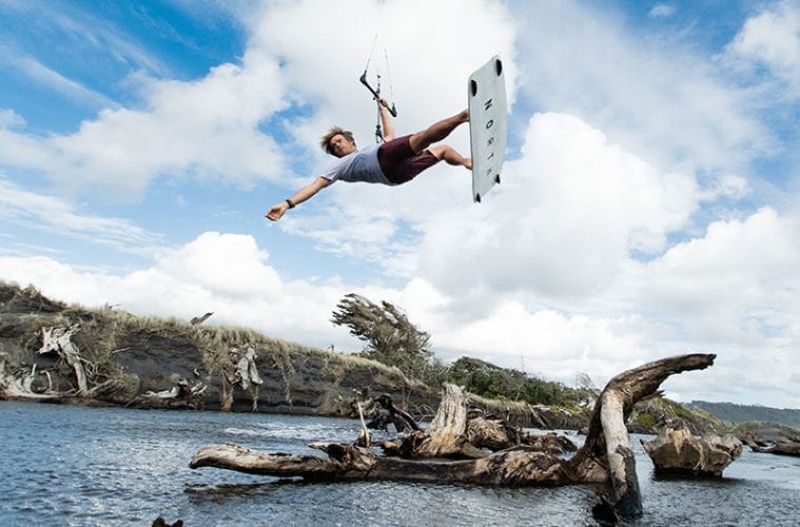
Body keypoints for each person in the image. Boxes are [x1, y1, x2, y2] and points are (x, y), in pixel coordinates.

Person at [265, 99, 471, 221]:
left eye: (338, 141)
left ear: (350, 141)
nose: (336, 146)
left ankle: (466, 163)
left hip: (398, 175)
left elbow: (389, 136)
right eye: (333, 148)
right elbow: (316, 186)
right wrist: (287, 204)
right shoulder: (340, 165)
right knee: (420, 138)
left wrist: (383, 110)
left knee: (443, 150)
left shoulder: (369, 148)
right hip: (383, 163)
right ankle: (463, 117)